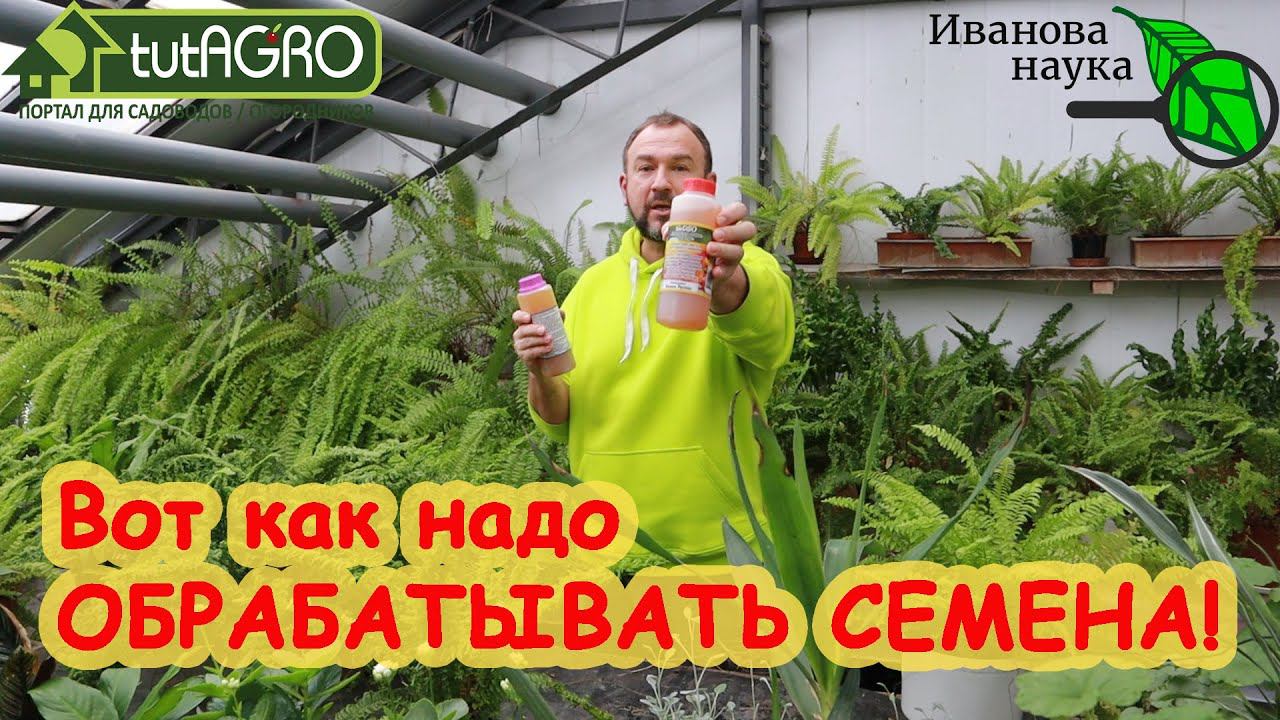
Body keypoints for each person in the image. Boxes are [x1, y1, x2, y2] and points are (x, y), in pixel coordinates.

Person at [512, 112, 796, 566]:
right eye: (646, 168)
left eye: (680, 167)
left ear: (707, 184)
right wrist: (538, 371)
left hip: (720, 558)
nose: (661, 182)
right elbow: (559, 421)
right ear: (626, 185)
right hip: (602, 552)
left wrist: (723, 282)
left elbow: (766, 337)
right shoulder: (589, 287)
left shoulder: (748, 269)